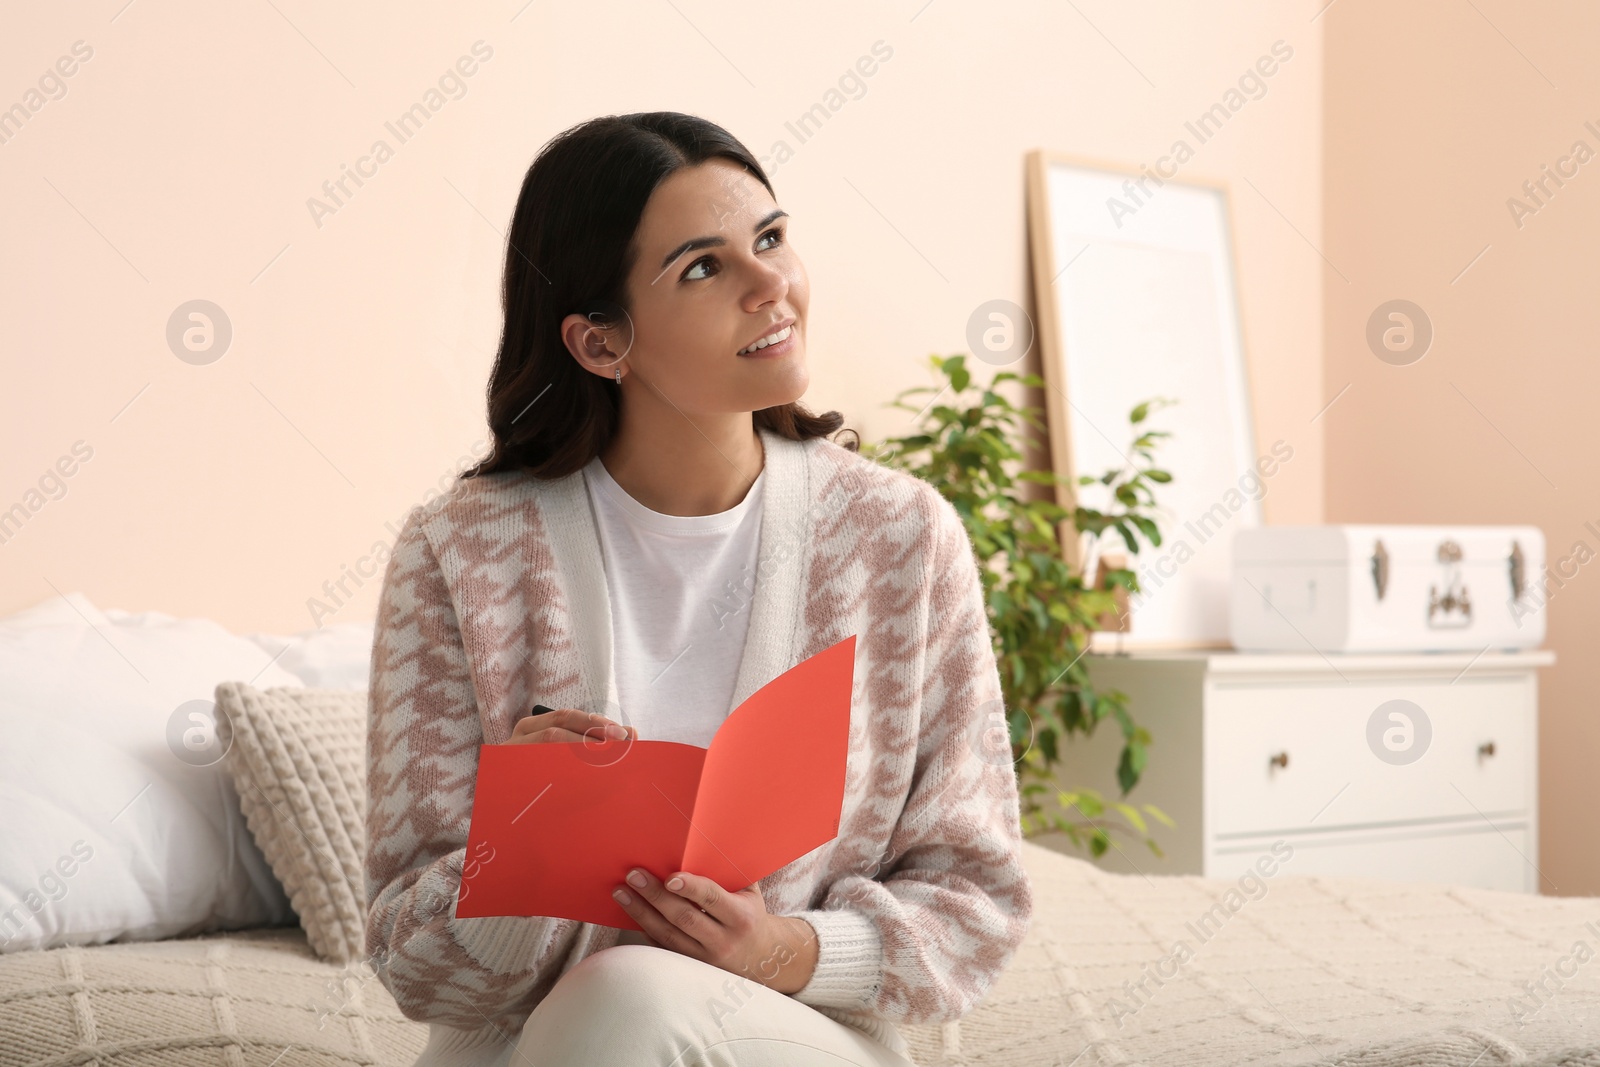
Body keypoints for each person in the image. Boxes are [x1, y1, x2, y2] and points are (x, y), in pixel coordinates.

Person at [363, 111, 1033, 1067]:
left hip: (796, 1037)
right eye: (704, 267)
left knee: (627, 1000)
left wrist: (782, 948)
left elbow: (978, 899)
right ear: (601, 344)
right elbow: (408, 961)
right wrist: (518, 856)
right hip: (523, 1051)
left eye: (770, 239)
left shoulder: (902, 537)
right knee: (612, 1009)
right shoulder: (459, 550)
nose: (773, 285)